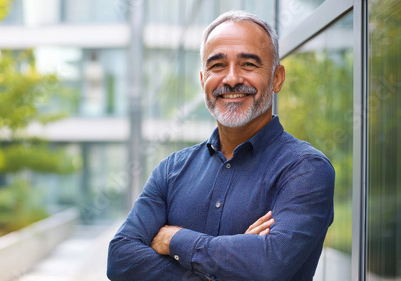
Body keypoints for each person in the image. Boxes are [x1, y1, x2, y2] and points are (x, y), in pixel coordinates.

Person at [107, 10, 334, 281]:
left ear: (277, 78)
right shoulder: (172, 170)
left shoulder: (306, 170)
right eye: (217, 66)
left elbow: (269, 264)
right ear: (203, 80)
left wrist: (174, 240)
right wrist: (222, 268)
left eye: (248, 64)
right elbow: (120, 259)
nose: (231, 78)